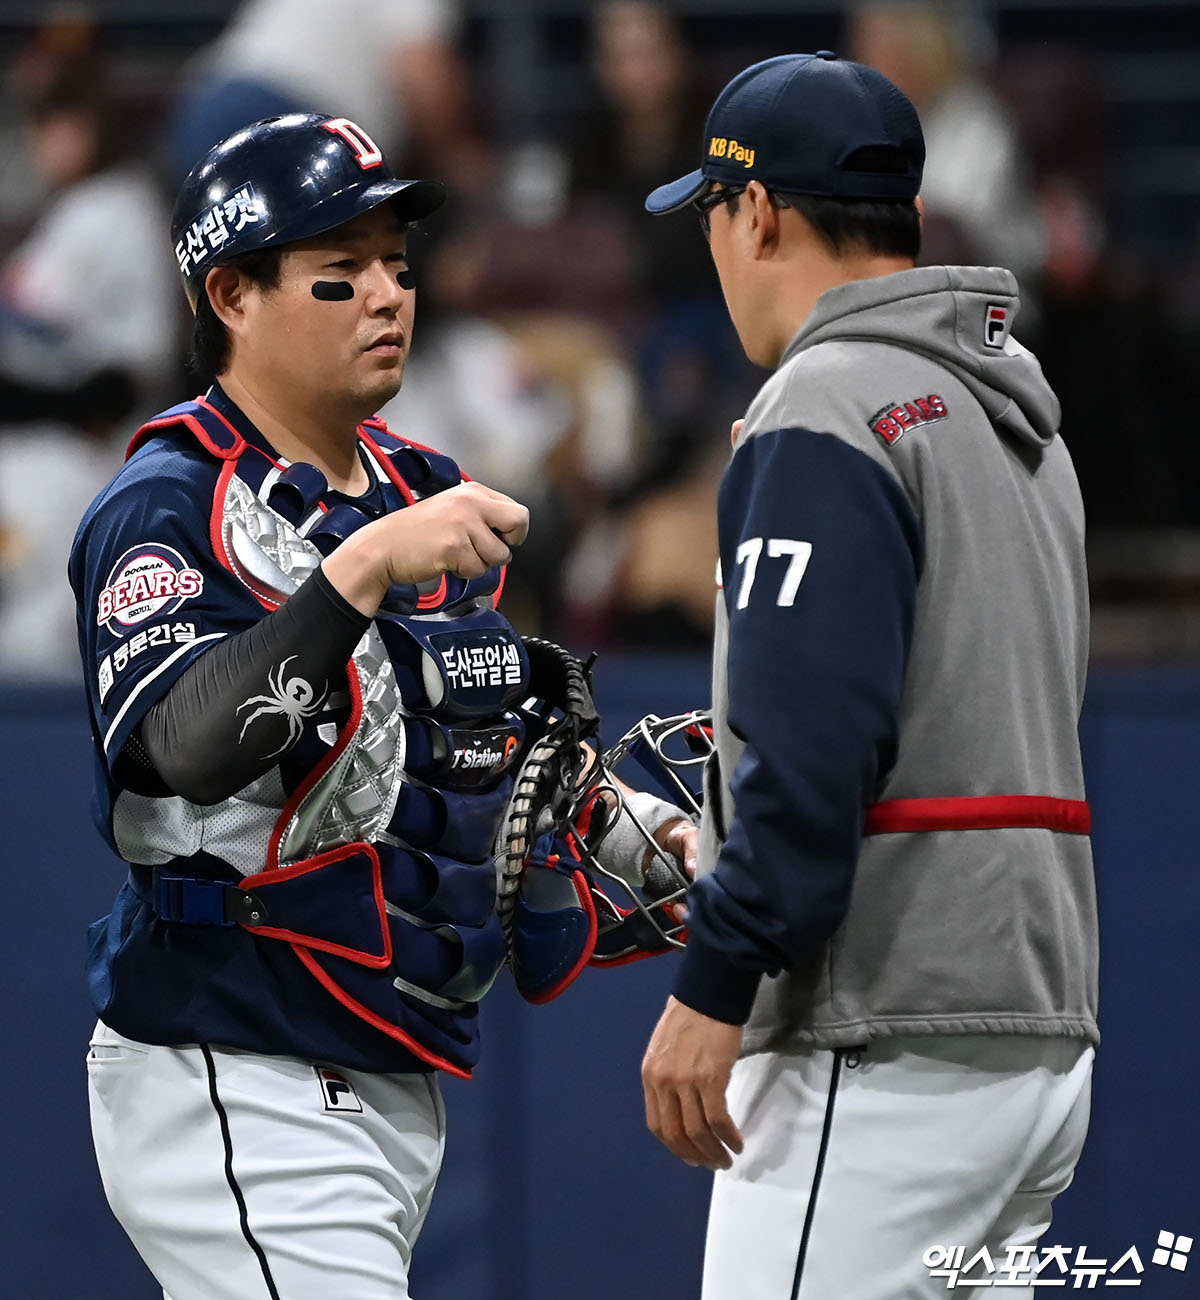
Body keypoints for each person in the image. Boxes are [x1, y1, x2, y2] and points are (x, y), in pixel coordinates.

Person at [69, 112, 562, 1300]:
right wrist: (359, 570)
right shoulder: (166, 501)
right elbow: (182, 746)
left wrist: (604, 823)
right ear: (231, 294)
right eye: (340, 270)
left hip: (386, 1065)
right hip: (230, 1052)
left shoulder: (417, 487)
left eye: (399, 262)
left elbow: (473, 752)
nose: (388, 295)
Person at [638, 53, 1097, 1297]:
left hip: (881, 1036)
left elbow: (814, 751)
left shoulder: (827, 402)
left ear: (762, 214)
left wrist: (716, 980)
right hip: (1038, 1040)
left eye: (716, 218)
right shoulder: (1017, 417)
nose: (717, 252)